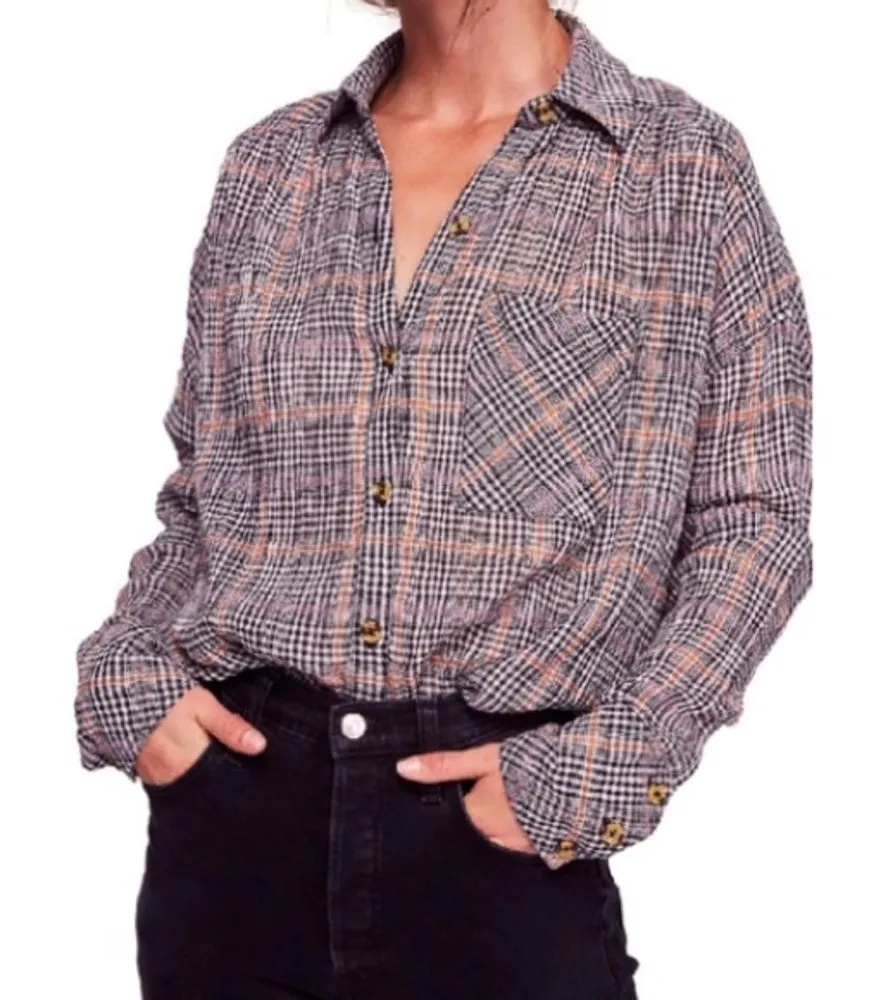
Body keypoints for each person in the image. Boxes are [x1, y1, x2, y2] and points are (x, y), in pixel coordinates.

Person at [73, 1, 814, 997]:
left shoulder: (681, 169)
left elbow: (752, 522)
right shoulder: (272, 166)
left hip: (498, 844)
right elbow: (205, 499)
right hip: (235, 830)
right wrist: (125, 677)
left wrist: (604, 764)